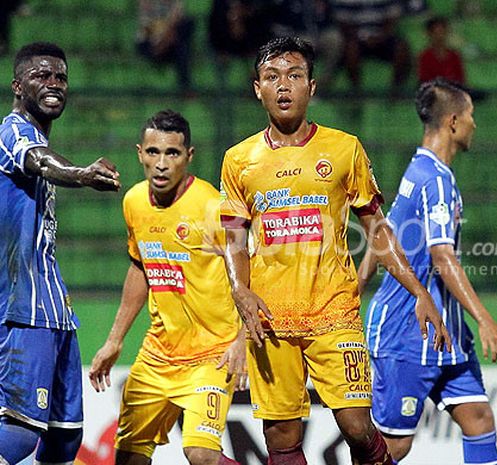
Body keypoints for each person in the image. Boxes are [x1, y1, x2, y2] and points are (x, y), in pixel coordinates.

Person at [218, 36, 451, 465]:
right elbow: (234, 234)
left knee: (357, 426)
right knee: (282, 438)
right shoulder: (238, 160)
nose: (283, 86)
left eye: (294, 76)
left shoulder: (345, 149)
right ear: (257, 88)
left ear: (312, 86)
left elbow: (377, 229)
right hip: (271, 317)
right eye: (272, 77)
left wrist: (419, 292)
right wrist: (240, 289)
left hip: (334, 310)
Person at [357, 78, 497, 464]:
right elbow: (442, 257)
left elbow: (382, 234)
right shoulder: (436, 180)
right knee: (392, 446)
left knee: (478, 418)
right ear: (454, 122)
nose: (476, 124)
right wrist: (486, 320)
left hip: (447, 336)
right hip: (408, 334)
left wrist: (355, 289)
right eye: (472, 116)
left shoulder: (418, 171)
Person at [88, 110, 245, 465]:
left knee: (201, 454)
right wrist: (115, 339)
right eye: (153, 152)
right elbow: (140, 266)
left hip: (212, 353)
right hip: (158, 354)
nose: (161, 164)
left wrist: (242, 338)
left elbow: (252, 270)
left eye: (172, 153)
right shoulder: (134, 202)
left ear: (189, 157)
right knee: (128, 457)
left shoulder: (212, 206)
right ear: (140, 153)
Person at [0, 42, 121, 465]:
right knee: (17, 435)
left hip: (55, 307)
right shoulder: (12, 129)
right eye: (41, 76)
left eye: (60, 77)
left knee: (64, 440)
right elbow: (40, 161)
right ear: (18, 86)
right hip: (23, 306)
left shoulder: (37, 135)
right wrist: (82, 175)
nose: (53, 84)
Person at [330, 0, 411, 92]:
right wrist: (363, 36)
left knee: (401, 48)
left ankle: (395, 90)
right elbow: (343, 23)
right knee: (351, 49)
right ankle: (356, 91)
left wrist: (380, 36)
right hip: (356, 38)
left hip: (383, 37)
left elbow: (392, 19)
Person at [136, 0, 195, 93]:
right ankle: (160, 48)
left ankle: (185, 87)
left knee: (187, 25)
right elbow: (146, 29)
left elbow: (177, 24)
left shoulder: (177, 4)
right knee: (179, 43)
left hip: (170, 43)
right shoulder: (147, 3)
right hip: (150, 42)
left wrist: (168, 36)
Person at [417, 17, 467, 85]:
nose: (440, 36)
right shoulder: (424, 56)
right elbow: (424, 80)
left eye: (442, 32)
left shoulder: (455, 56)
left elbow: (460, 79)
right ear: (429, 34)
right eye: (436, 33)